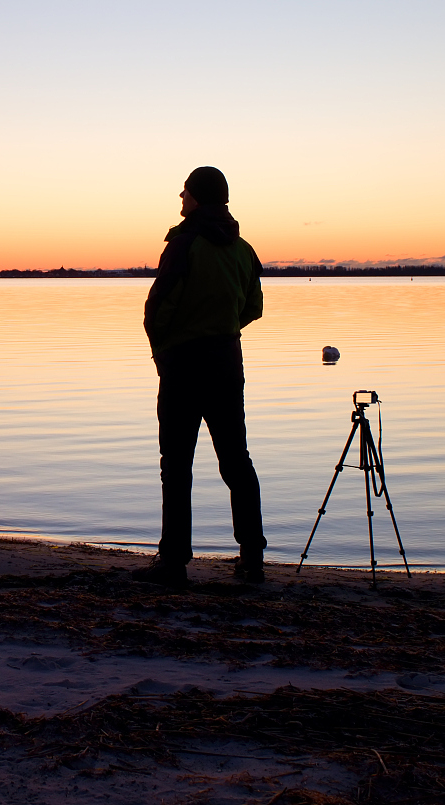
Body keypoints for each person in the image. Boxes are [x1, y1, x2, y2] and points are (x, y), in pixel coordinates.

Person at [132, 166, 266, 587]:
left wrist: (163, 350)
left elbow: (159, 308)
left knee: (176, 463)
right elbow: (253, 307)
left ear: (198, 197)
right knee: (236, 459)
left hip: (184, 363)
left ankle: (173, 561)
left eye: (185, 191)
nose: (180, 197)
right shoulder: (243, 249)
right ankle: (252, 557)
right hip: (226, 360)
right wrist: (222, 329)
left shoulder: (184, 243)